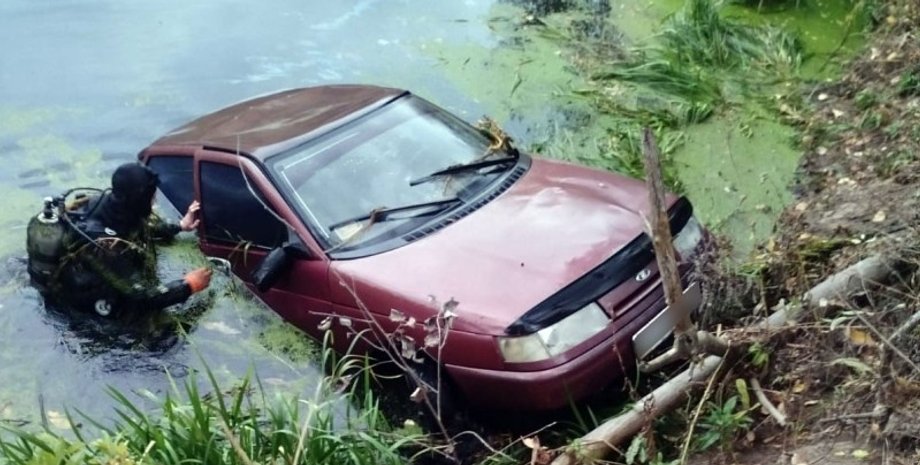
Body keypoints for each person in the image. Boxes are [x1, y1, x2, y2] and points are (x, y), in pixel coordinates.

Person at [27, 162, 212, 318]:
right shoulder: (104, 246)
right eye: (151, 195)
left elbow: (140, 223)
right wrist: (188, 285)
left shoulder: (113, 203)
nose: (155, 199)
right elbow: (142, 297)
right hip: (88, 305)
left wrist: (179, 225)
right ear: (139, 199)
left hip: (96, 272)